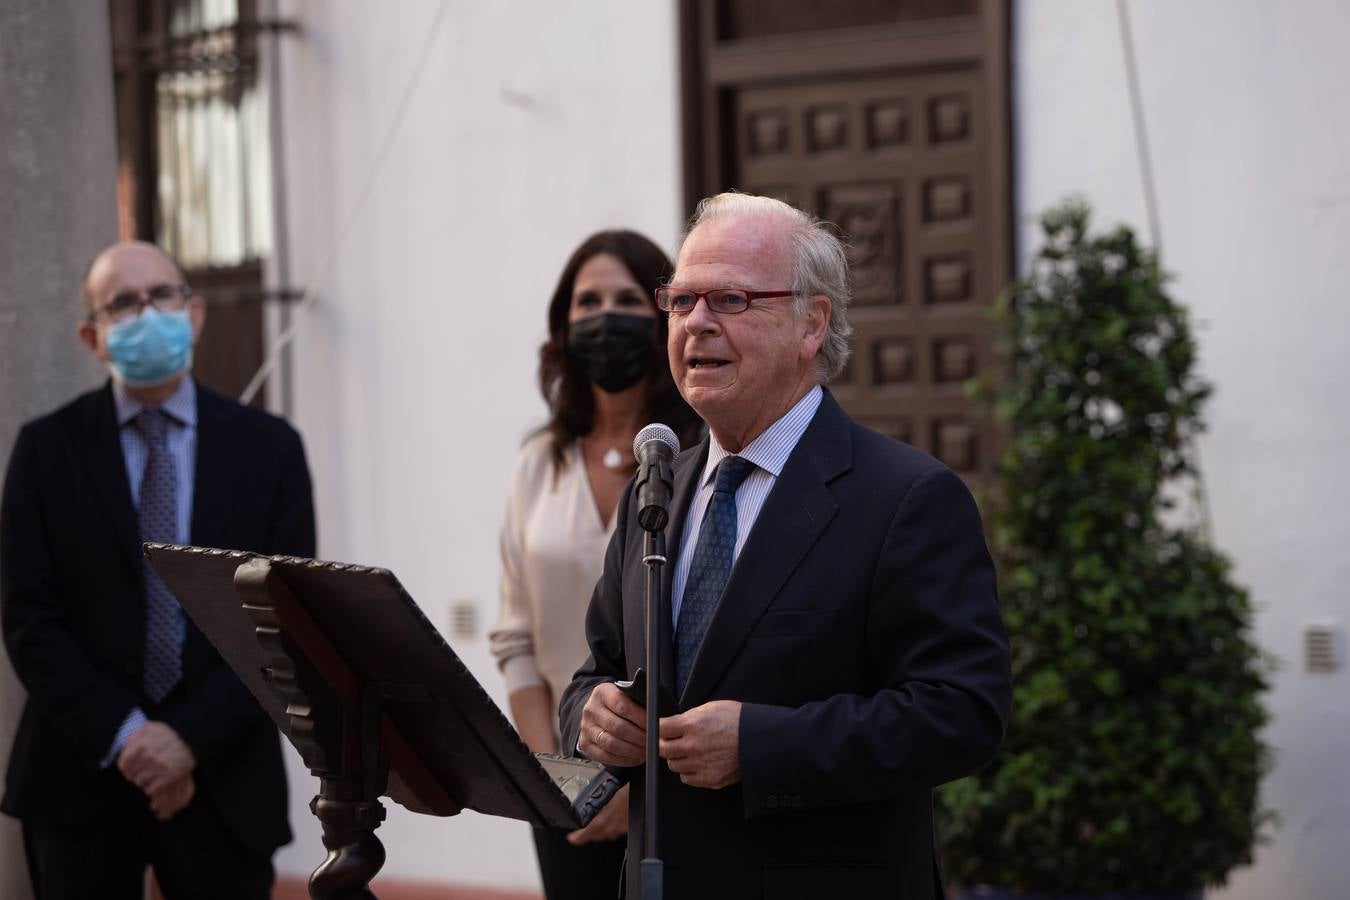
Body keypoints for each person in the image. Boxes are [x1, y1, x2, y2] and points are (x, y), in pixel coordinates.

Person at [558, 194, 1013, 899]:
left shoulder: (906, 498)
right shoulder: (657, 490)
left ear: (812, 324)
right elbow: (599, 671)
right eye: (681, 301)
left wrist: (761, 745)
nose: (697, 323)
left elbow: (962, 713)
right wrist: (593, 718)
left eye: (731, 299)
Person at [0, 241, 316, 899]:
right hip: (78, 775)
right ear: (93, 336)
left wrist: (188, 740)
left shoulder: (270, 450)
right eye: (122, 303)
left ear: (194, 313)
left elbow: (284, 620)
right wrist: (130, 739)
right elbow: (30, 620)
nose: (147, 313)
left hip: (225, 775)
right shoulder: (45, 451)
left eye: (162, 296)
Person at [490, 230, 702, 899]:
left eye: (626, 298)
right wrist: (554, 775)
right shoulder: (539, 463)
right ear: (563, 325)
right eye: (587, 301)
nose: (604, 316)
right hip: (561, 788)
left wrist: (639, 783)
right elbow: (516, 641)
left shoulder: (701, 456)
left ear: (663, 315)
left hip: (682, 789)